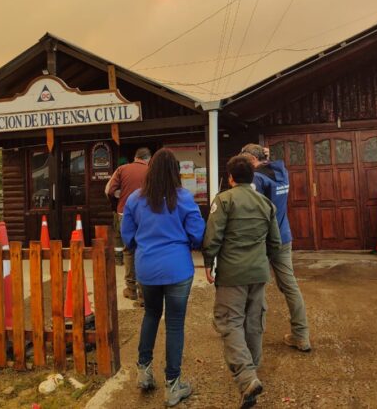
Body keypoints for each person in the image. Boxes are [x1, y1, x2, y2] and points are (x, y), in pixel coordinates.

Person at [121, 148, 205, 407]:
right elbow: (198, 233)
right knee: (175, 324)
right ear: (174, 172)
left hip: (147, 268)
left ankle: (144, 372)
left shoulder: (135, 199)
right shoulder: (183, 197)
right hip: (178, 268)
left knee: (151, 315)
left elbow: (128, 236)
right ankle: (172, 385)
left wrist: (144, 244)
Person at [203, 155, 281, 409]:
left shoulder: (224, 200)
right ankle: (252, 375)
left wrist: (208, 262)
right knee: (254, 322)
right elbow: (275, 243)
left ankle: (247, 378)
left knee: (230, 322)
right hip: (258, 272)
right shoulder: (266, 203)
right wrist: (263, 261)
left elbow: (213, 236)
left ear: (231, 178)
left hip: (232, 274)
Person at [240, 143, 312, 352]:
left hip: (262, 240)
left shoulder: (257, 178)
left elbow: (252, 210)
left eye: (245, 160)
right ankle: (301, 335)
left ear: (252, 160)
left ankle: (250, 336)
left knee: (255, 287)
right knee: (290, 286)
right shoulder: (282, 173)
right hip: (283, 236)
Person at [107, 147, 151, 303]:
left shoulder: (121, 169)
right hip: (147, 214)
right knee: (144, 249)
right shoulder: (151, 170)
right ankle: (144, 294)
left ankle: (131, 289)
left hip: (124, 213)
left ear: (135, 157)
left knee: (129, 250)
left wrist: (119, 201)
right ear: (148, 159)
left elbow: (109, 190)